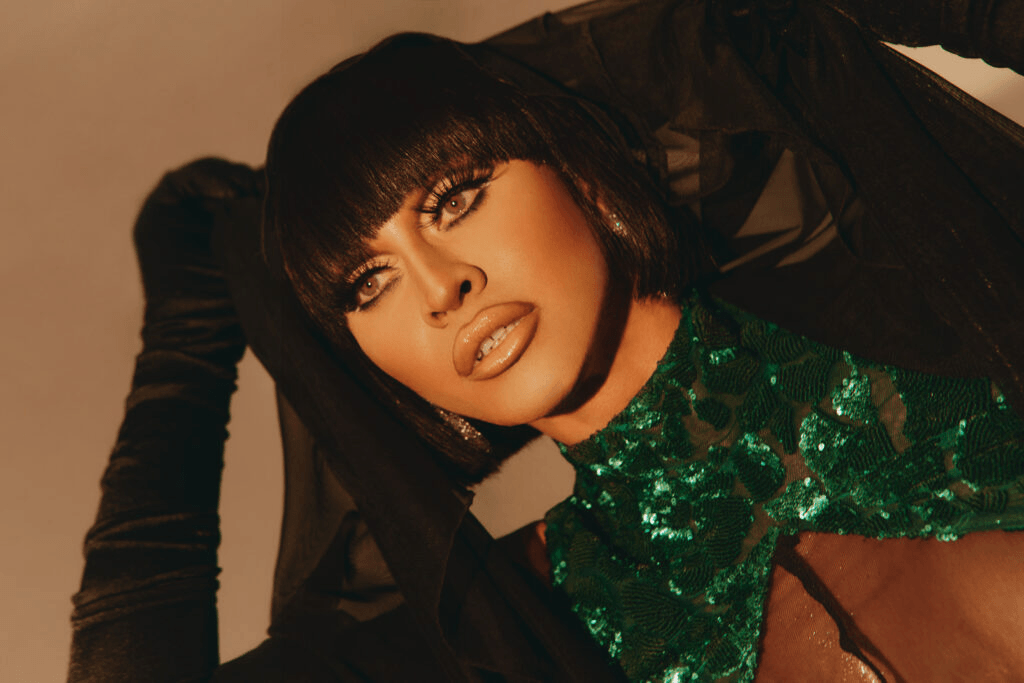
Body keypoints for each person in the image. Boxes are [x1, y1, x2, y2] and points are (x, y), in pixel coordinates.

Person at [69, 1, 1024, 681]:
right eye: (370, 282)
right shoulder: (519, 628)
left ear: (589, 178)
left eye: (455, 199)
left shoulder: (954, 316)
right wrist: (184, 352)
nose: (440, 288)